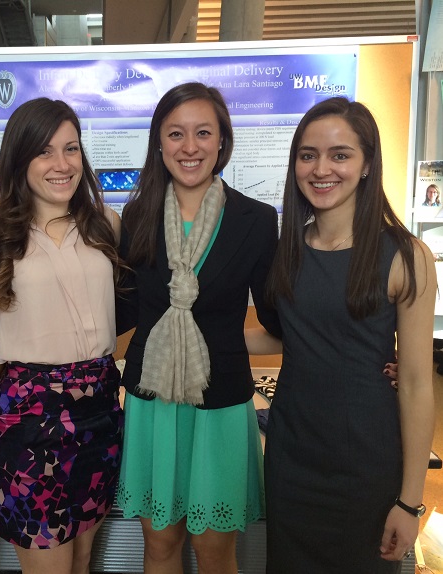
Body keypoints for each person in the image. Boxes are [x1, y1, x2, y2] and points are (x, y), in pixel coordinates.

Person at [255, 97, 435, 572]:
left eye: (340, 154)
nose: (321, 168)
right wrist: (191, 335)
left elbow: (416, 383)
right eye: (308, 154)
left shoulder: (405, 255)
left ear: (368, 164)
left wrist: (410, 501)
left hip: (367, 462)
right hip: (292, 455)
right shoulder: (287, 249)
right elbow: (290, 337)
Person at [115, 82, 282, 574]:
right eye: (175, 134)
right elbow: (125, 315)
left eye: (202, 133)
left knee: (214, 552)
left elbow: (277, 326)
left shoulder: (254, 220)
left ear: (222, 141)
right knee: (160, 545)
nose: (190, 147)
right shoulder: (137, 215)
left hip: (221, 404)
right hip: (153, 404)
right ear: (159, 142)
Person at [0, 97, 124, 574]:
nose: (61, 164)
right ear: (19, 158)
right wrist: (16, 325)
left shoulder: (104, 224)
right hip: (31, 416)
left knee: (83, 559)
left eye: (71, 149)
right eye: (45, 151)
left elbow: (107, 307)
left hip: (100, 408)